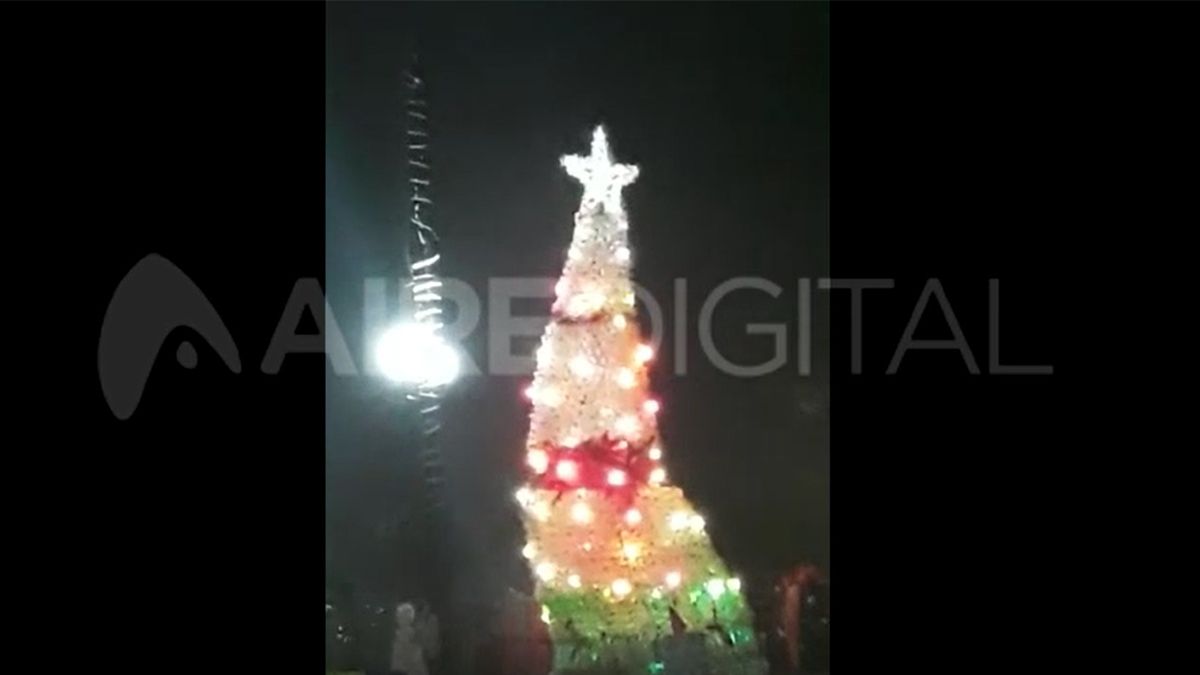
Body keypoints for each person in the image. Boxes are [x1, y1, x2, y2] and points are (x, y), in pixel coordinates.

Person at [390, 602, 427, 675]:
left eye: (403, 616)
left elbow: (419, 663)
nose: (399, 619)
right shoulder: (393, 634)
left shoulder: (415, 636)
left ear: (410, 619)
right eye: (398, 616)